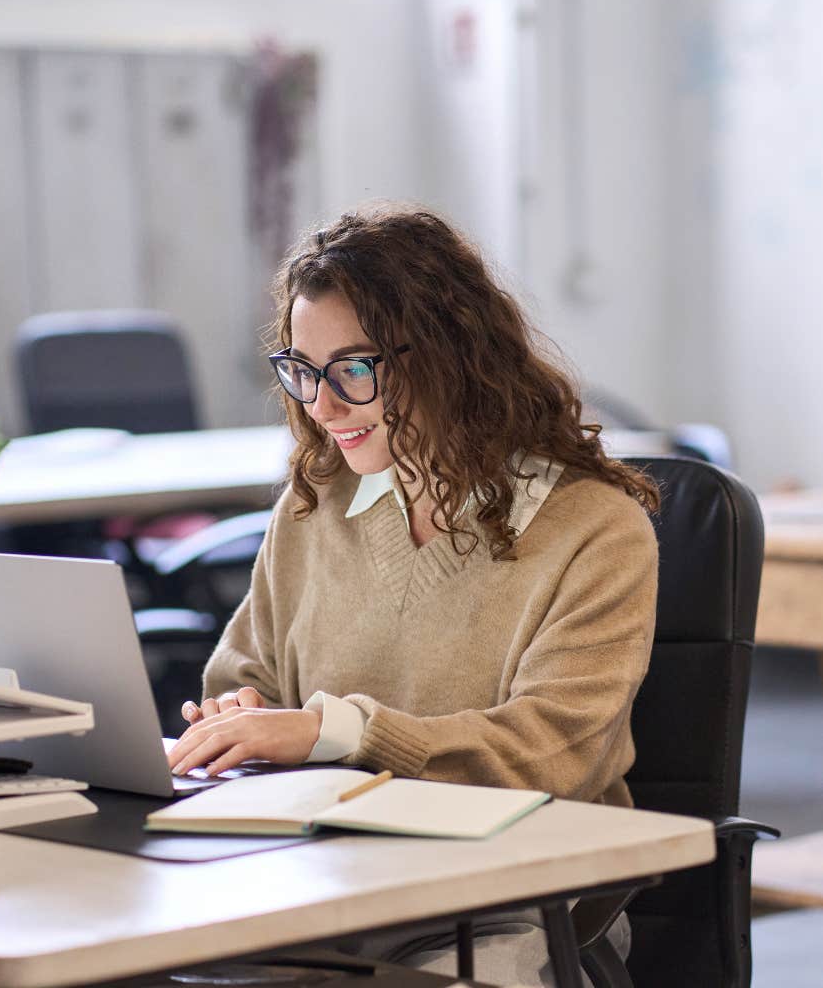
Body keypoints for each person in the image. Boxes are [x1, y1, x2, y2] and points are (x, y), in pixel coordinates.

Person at [168, 204, 660, 986]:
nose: (322, 407)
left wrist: (335, 731)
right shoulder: (314, 503)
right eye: (302, 369)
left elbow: (551, 754)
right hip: (322, 880)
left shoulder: (594, 530)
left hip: (507, 901)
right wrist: (243, 717)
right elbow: (241, 678)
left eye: (354, 370)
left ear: (449, 355)